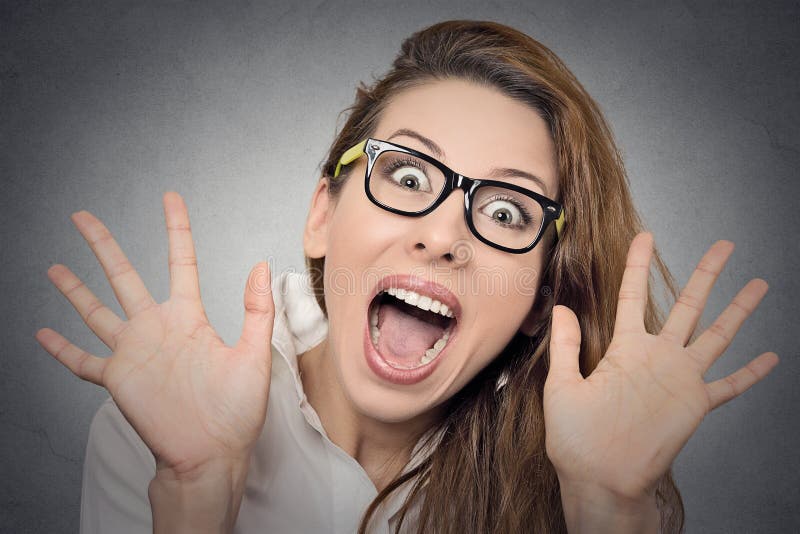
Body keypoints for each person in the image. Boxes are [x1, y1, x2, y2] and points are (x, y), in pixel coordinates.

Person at [35, 20, 779, 534]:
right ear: (322, 213)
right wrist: (196, 490)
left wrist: (608, 506)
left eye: (510, 212)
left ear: (538, 303)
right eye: (408, 172)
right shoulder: (160, 429)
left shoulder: (581, 472)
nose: (442, 234)